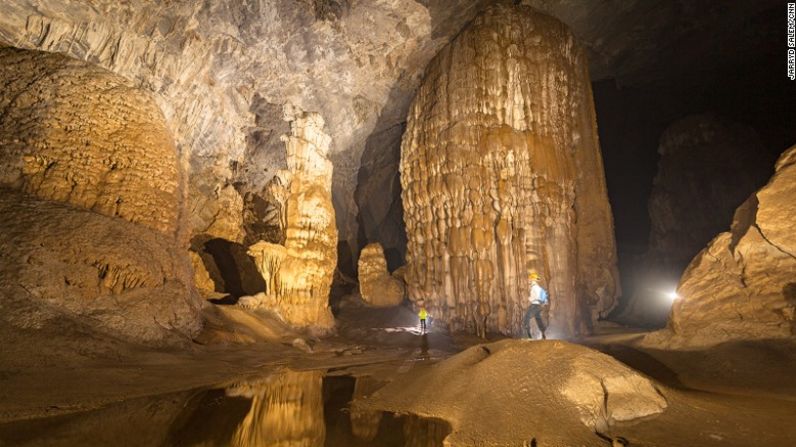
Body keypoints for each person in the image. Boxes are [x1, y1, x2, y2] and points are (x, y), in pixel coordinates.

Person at [523, 272, 548, 340]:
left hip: (535, 305)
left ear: (533, 279)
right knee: (538, 319)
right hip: (539, 306)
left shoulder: (535, 287)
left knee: (526, 318)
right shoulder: (538, 288)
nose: (529, 280)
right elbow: (544, 298)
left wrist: (529, 298)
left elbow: (535, 297)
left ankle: (528, 336)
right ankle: (543, 334)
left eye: (530, 278)